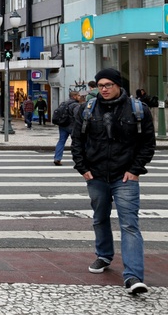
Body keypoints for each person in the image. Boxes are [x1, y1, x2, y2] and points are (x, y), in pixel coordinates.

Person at [71, 68, 156, 295]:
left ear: (119, 85)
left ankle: (133, 277)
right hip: (96, 175)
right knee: (100, 218)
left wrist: (135, 169)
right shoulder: (87, 109)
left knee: (129, 224)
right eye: (101, 86)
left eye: (108, 85)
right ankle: (104, 255)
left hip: (125, 175)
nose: (104, 89)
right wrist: (83, 168)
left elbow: (148, 143)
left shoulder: (138, 109)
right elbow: (77, 140)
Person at [52, 90, 85, 166]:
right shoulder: (75, 105)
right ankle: (78, 159)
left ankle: (57, 158)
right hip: (72, 126)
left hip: (62, 125)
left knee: (61, 141)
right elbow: (78, 116)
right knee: (76, 142)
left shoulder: (63, 103)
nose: (80, 97)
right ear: (74, 96)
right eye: (78, 95)